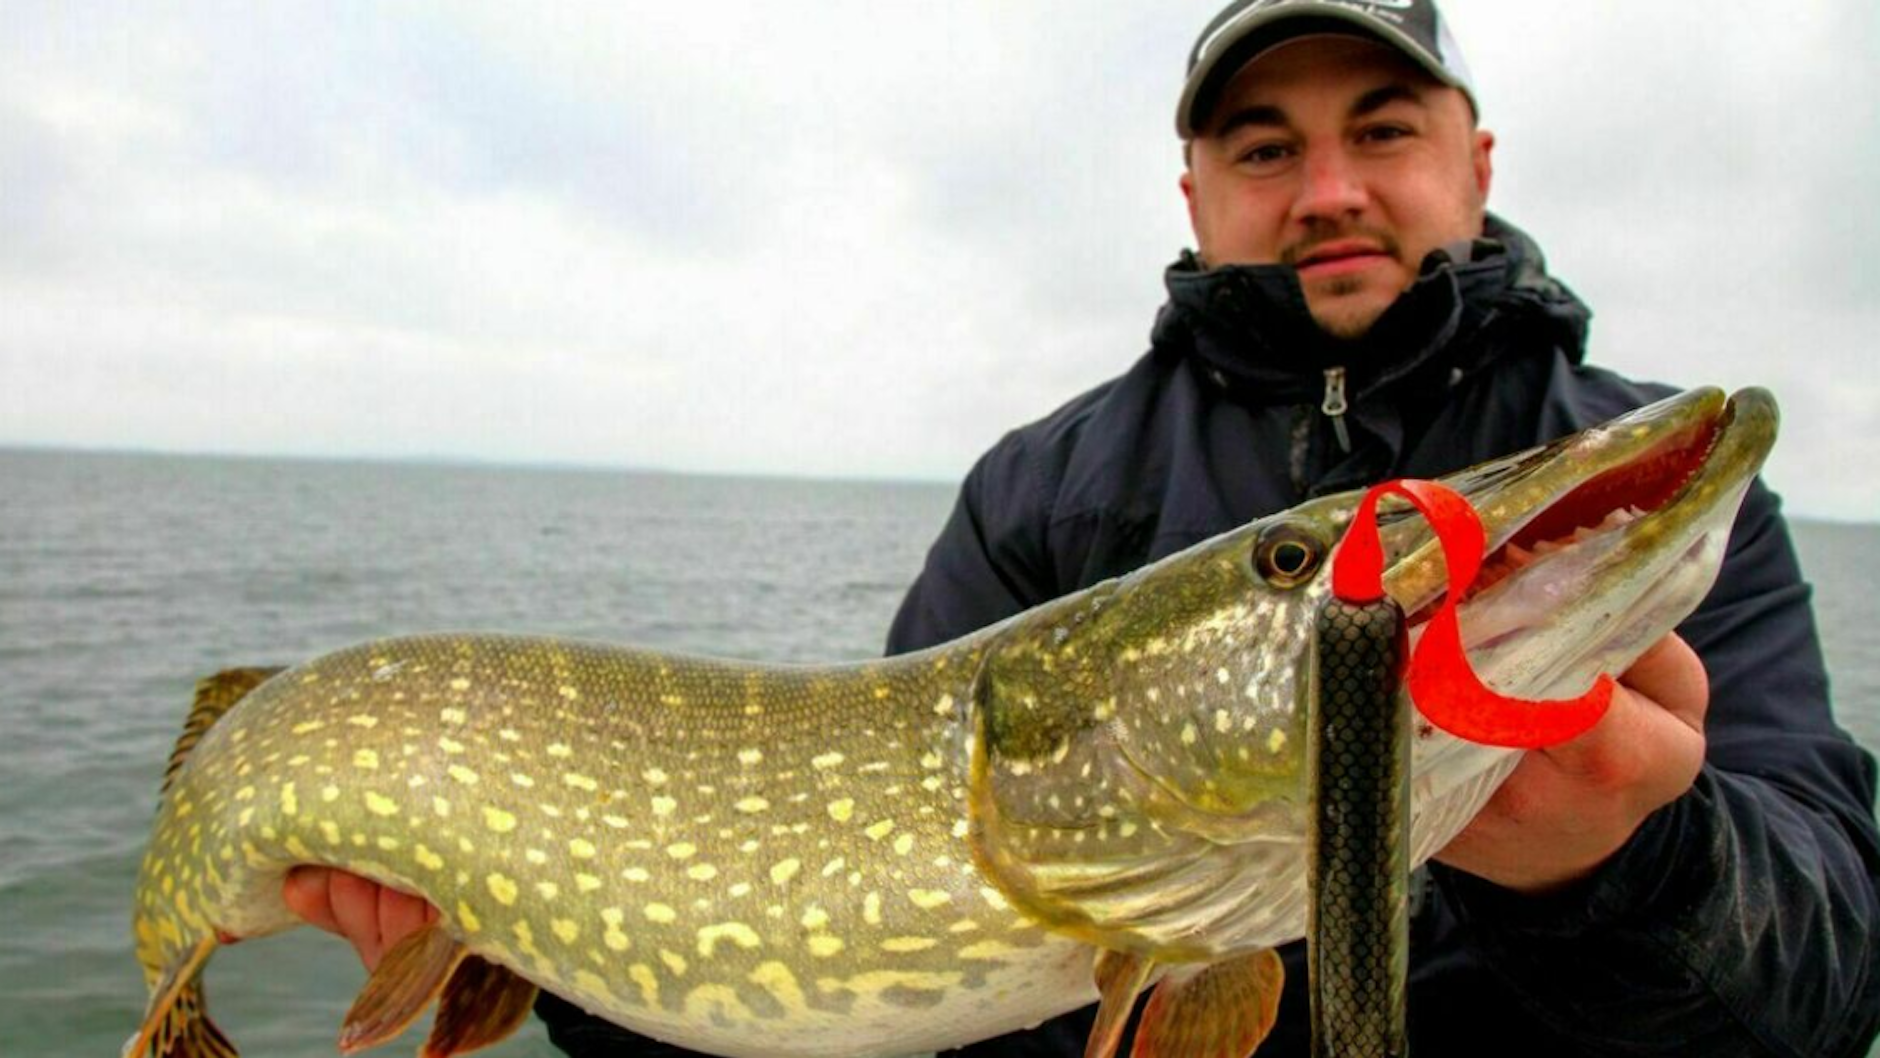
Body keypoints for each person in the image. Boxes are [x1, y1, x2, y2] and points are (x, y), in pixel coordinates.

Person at [286, 1, 1880, 1054]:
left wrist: (1632, 862)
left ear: (1475, 161)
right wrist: (553, 942)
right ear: (1195, 195)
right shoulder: (1046, 494)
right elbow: (854, 1003)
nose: (1327, 185)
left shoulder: (1658, 500)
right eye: (1265, 147)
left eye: (1383, 128)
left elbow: (1831, 977)